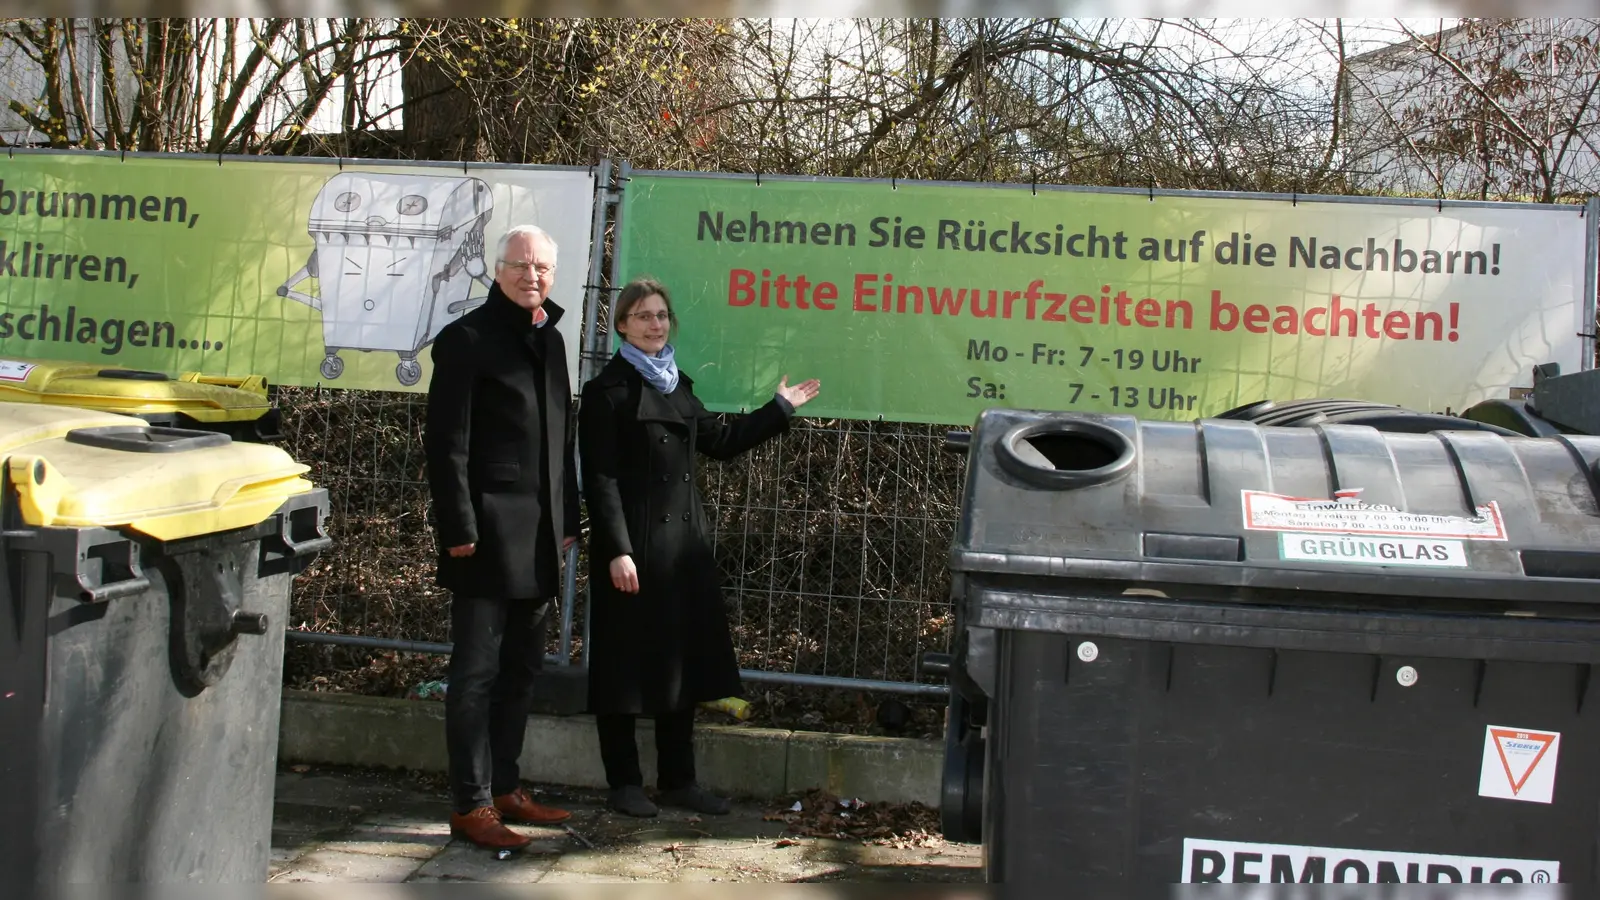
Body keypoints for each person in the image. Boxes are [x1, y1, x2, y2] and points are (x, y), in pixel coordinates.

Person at [578, 276, 821, 818]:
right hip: (634, 549)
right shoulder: (607, 393)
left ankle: (679, 781)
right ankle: (624, 784)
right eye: (642, 316)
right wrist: (617, 548)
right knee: (623, 666)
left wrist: (778, 408)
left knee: (679, 665)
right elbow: (601, 479)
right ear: (622, 324)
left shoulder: (677, 384)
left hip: (683, 551)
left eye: (661, 315)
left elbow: (723, 442)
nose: (654, 324)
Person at [423, 224, 579, 850]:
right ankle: (471, 804)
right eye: (520, 265)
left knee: (521, 670)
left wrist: (568, 521)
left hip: (541, 537)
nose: (532, 276)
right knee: (476, 673)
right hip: (484, 536)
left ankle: (508, 785)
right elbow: (446, 442)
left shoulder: (552, 341)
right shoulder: (466, 340)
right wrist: (458, 526)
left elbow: (560, 442)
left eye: (542, 267)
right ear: (497, 268)